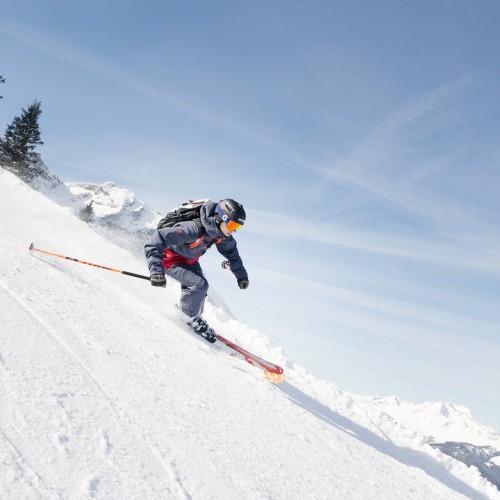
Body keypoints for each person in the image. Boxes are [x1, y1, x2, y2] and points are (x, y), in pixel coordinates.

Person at [144, 198, 249, 342]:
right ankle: (189, 318)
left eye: (237, 227)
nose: (232, 231)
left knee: (201, 289)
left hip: (189, 260)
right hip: (169, 259)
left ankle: (193, 316)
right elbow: (155, 241)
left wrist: (241, 275)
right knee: (199, 284)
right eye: (231, 225)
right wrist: (156, 272)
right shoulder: (193, 229)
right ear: (219, 217)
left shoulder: (221, 233)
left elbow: (232, 253)